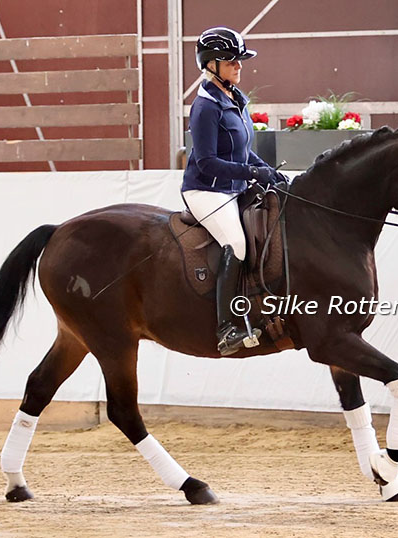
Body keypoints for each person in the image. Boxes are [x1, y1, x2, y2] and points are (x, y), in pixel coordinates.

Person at [182, 27, 284, 357]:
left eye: (239, 60)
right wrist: (251, 172)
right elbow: (207, 162)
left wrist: (267, 170)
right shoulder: (205, 107)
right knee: (236, 243)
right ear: (211, 65)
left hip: (234, 186)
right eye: (231, 62)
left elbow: (242, 151)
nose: (239, 66)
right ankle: (226, 329)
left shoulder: (234, 99)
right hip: (207, 191)